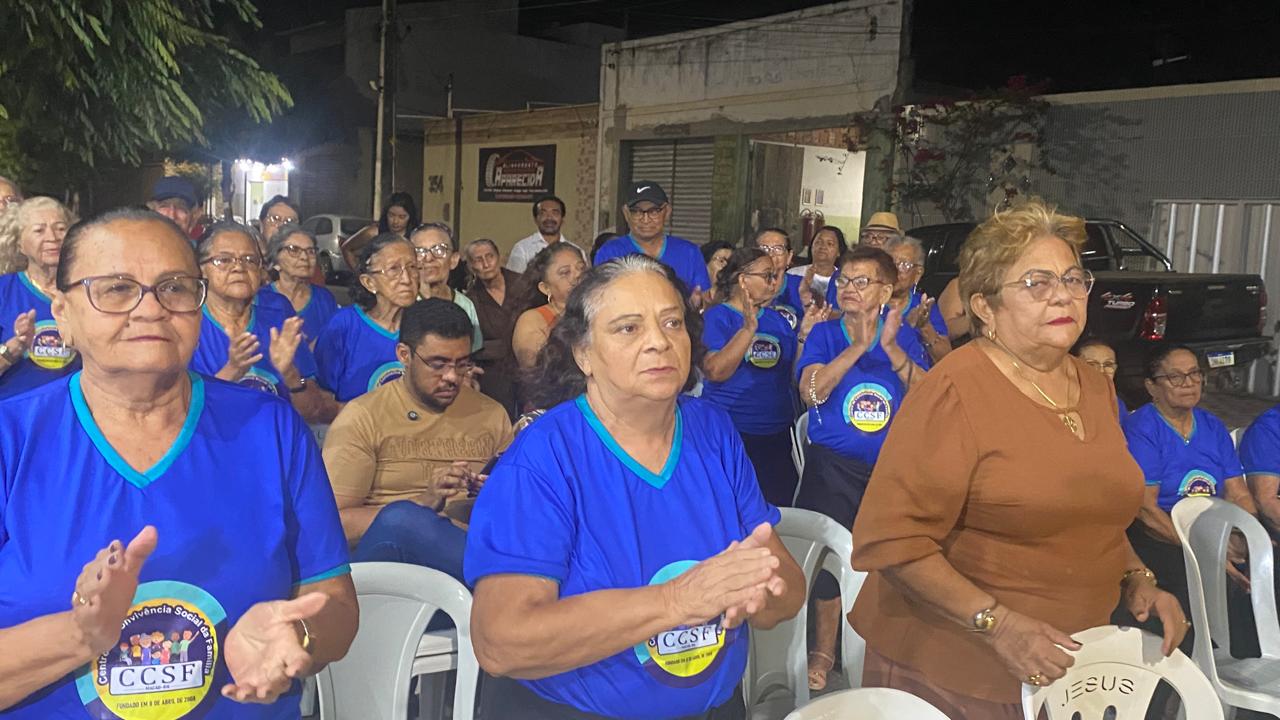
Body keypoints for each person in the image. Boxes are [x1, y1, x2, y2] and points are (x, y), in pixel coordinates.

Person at [0, 207, 357, 716]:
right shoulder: (12, 438)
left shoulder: (268, 429)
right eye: (116, 288)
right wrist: (80, 635)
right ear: (62, 312)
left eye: (175, 288)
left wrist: (298, 635)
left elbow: (335, 604)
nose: (151, 309)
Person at [846, 200, 1186, 719]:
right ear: (985, 307)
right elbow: (890, 541)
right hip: (954, 671)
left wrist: (1138, 576)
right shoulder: (955, 390)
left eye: (1073, 279)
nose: (1063, 295)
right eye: (1036, 283)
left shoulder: (1094, 386)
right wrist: (997, 623)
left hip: (1071, 665)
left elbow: (1093, 507)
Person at [465, 254, 805, 719]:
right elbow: (501, 642)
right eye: (628, 328)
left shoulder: (713, 431)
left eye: (672, 323)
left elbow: (787, 591)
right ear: (583, 353)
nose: (659, 342)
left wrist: (756, 593)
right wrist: (677, 601)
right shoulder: (544, 456)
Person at [794, 245, 922, 691]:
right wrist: (858, 348)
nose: (848, 288)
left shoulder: (904, 337)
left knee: (892, 560)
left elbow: (931, 399)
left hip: (890, 471)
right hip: (831, 469)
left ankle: (880, 649)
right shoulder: (825, 334)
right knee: (828, 559)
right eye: (844, 280)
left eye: (861, 281)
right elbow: (812, 392)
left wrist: (892, 351)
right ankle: (824, 649)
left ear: (886, 291)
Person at [324, 299, 511, 586]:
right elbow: (333, 525)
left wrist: (492, 494)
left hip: (467, 553)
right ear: (404, 355)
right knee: (402, 519)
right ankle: (511, 582)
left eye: (462, 364)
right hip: (390, 572)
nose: (452, 377)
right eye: (438, 364)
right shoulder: (363, 416)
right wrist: (423, 503)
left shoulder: (491, 414)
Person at [1121, 345, 1259, 649]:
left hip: (1214, 529)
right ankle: (1208, 660)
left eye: (1195, 373)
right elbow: (1145, 508)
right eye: (1176, 377)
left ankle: (1258, 659)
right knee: (1206, 577)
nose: (1189, 383)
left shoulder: (1212, 426)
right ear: (1151, 386)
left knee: (1266, 562)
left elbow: (1238, 493)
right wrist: (1205, 550)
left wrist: (1246, 536)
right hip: (1162, 533)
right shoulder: (1142, 428)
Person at [700, 247, 819, 507]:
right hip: (731, 431)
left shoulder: (777, 320)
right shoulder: (718, 317)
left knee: (776, 510)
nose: (774, 282)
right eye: (767, 276)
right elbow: (715, 371)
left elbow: (792, 374)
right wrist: (748, 329)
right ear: (743, 280)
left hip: (776, 432)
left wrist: (803, 336)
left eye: (774, 276)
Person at [189, 223, 338, 424]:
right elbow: (180, 417)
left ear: (260, 270)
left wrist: (290, 373)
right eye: (224, 260)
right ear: (202, 269)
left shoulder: (277, 314)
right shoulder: (187, 322)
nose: (239, 267)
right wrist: (232, 371)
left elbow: (312, 413)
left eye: (250, 260)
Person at [314, 234, 420, 402]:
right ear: (369, 282)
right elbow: (321, 393)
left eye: (412, 267)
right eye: (394, 269)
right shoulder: (344, 325)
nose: (407, 279)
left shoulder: (425, 325)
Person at [0, 197, 78, 398]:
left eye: (60, 228)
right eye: (39, 230)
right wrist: (13, 349)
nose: (52, 237)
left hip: (73, 409)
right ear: (19, 243)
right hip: (14, 412)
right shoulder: (4, 291)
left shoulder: (86, 290)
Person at [594, 181, 711, 303]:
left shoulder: (689, 253)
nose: (645, 220)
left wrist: (695, 307)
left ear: (667, 211)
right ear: (626, 213)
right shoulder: (609, 253)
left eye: (654, 211)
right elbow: (597, 301)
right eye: (637, 211)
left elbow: (704, 300)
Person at [464, 239, 521, 417]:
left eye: (490, 256)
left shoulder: (522, 284)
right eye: (478, 260)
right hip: (494, 372)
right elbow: (474, 345)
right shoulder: (471, 299)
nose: (486, 263)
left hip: (526, 366)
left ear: (499, 258)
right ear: (471, 266)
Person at [510, 243, 586, 371]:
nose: (577, 275)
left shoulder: (598, 309)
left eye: (581, 268)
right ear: (545, 288)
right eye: (565, 272)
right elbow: (535, 366)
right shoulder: (532, 319)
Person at [409, 222, 483, 353]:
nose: (428, 258)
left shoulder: (465, 305)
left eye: (438, 250)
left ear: (454, 260)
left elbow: (474, 352)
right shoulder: (404, 303)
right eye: (419, 252)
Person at [264, 223, 339, 345]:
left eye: (311, 251)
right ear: (276, 258)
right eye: (294, 250)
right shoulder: (261, 299)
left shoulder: (324, 299)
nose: (304, 257)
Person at [884, 234, 952, 368]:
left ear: (918, 273)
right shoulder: (868, 303)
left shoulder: (924, 307)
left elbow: (946, 358)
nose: (895, 271)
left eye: (904, 265)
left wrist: (925, 327)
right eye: (890, 263)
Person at [506, 195, 583, 274]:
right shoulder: (522, 249)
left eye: (555, 213)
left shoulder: (576, 251)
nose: (549, 217)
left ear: (562, 219)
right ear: (536, 219)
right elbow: (515, 280)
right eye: (543, 213)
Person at [787, 225, 845, 308]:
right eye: (818, 242)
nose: (823, 247)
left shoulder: (843, 280)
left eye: (829, 244)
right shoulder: (793, 274)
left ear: (839, 251)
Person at [1074, 337, 1127, 417]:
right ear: (1073, 367)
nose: (1101, 371)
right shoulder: (1065, 403)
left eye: (1108, 364)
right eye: (1091, 364)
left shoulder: (1117, 404)